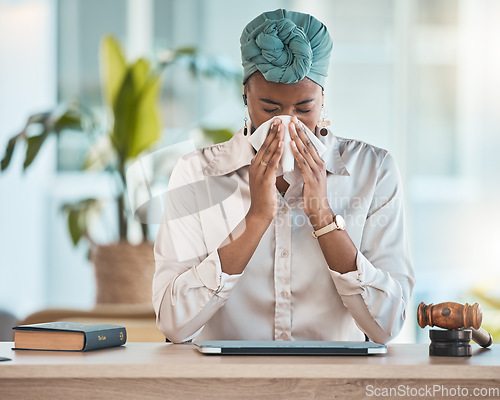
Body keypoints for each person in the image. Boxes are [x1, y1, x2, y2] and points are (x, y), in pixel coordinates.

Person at [153, 9, 415, 344]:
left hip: (337, 389)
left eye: (304, 109)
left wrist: (322, 216)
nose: (286, 124)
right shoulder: (196, 174)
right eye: (270, 109)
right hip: (231, 387)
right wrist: (257, 217)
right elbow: (174, 323)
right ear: (245, 96)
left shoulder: (374, 171)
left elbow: (388, 325)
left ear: (323, 98)